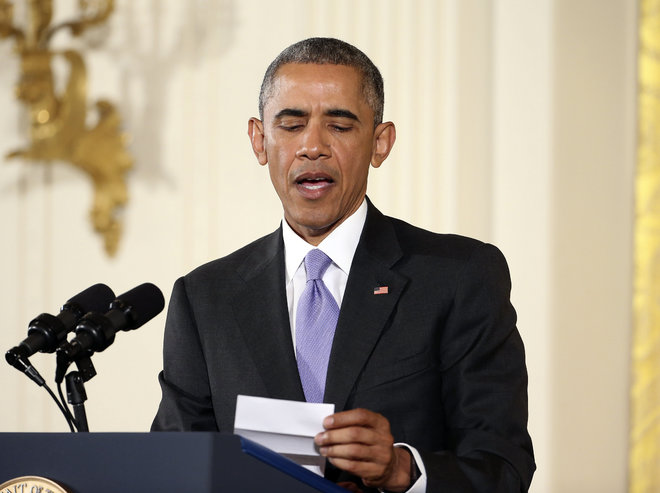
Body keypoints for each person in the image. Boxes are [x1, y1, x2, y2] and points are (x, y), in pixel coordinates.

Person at [152, 37, 535, 492]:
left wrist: (401, 471)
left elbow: (503, 469)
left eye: (340, 126)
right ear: (260, 140)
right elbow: (175, 469)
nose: (313, 146)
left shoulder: (458, 277)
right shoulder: (205, 298)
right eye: (291, 125)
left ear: (380, 142)